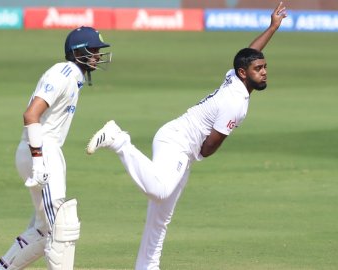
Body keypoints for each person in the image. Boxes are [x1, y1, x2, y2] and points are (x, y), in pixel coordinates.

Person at [85, 3, 287, 270]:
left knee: (160, 217)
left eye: (264, 66)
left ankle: (147, 267)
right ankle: (118, 139)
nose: (263, 71)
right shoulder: (236, 101)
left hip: (178, 139)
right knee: (160, 191)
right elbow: (210, 146)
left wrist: (272, 27)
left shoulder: (234, 76)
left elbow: (250, 54)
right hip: (177, 142)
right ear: (243, 73)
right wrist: (196, 154)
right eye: (258, 68)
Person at [0, 26, 112, 270]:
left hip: (46, 151)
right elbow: (31, 115)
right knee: (59, 228)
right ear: (78, 51)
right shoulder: (63, 73)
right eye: (93, 50)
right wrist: (39, 161)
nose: (97, 55)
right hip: (41, 150)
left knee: (44, 230)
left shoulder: (74, 77)